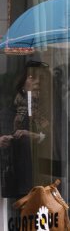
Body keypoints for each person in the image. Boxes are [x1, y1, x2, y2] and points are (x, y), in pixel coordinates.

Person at [0, 60, 51, 198]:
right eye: (32, 77)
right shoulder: (11, 111)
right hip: (18, 183)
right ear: (22, 83)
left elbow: (58, 142)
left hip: (45, 182)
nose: (37, 82)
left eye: (42, 78)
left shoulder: (52, 110)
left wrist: (34, 136)